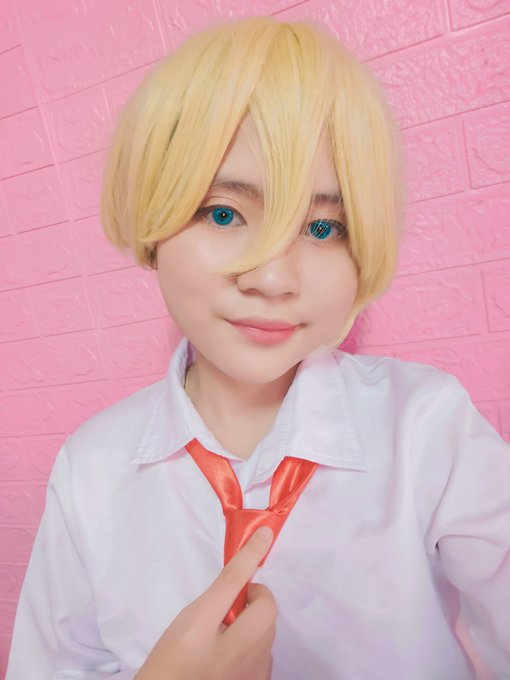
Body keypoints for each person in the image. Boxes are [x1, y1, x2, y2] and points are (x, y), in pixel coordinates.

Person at [6, 15, 510, 680]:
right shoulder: (91, 469)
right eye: (224, 213)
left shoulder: (427, 428)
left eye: (323, 227)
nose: (273, 279)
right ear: (154, 226)